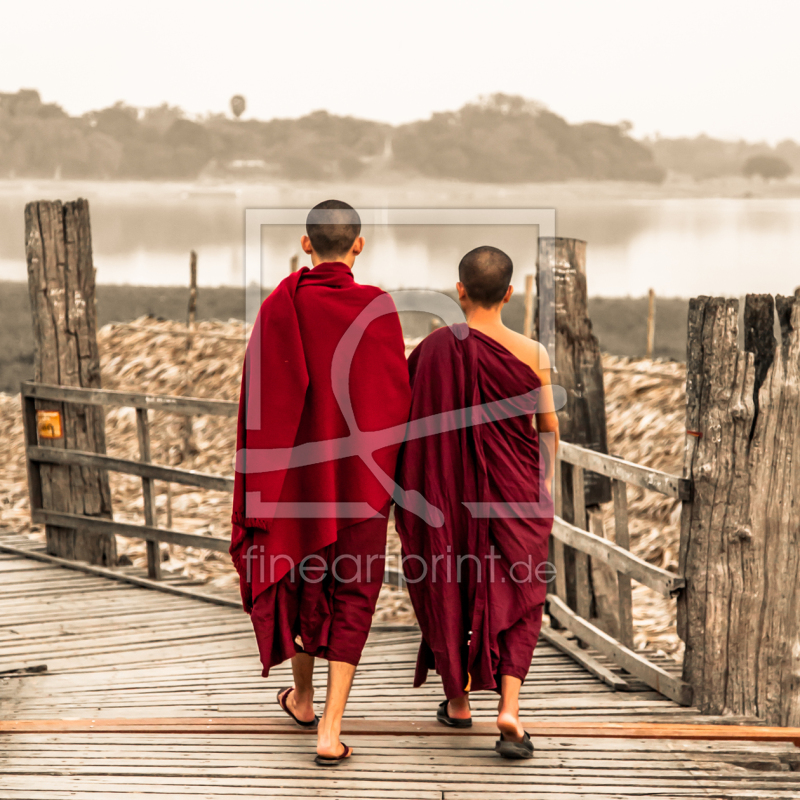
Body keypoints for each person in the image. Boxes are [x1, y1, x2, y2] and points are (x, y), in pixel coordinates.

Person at [230, 200, 411, 766]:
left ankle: (303, 697)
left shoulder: (279, 307)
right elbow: (395, 399)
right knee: (353, 593)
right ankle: (327, 728)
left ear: (306, 244)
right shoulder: (377, 307)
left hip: (296, 484)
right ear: (359, 246)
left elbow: (258, 401)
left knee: (302, 577)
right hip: (361, 483)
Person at [395, 245, 559, 760]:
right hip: (514, 494)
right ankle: (509, 709)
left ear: (459, 291)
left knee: (447, 584)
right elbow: (548, 427)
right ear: (509, 294)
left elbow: (405, 424)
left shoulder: (432, 349)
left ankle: (459, 701)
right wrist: (544, 483)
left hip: (447, 494)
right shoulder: (533, 353)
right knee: (521, 595)